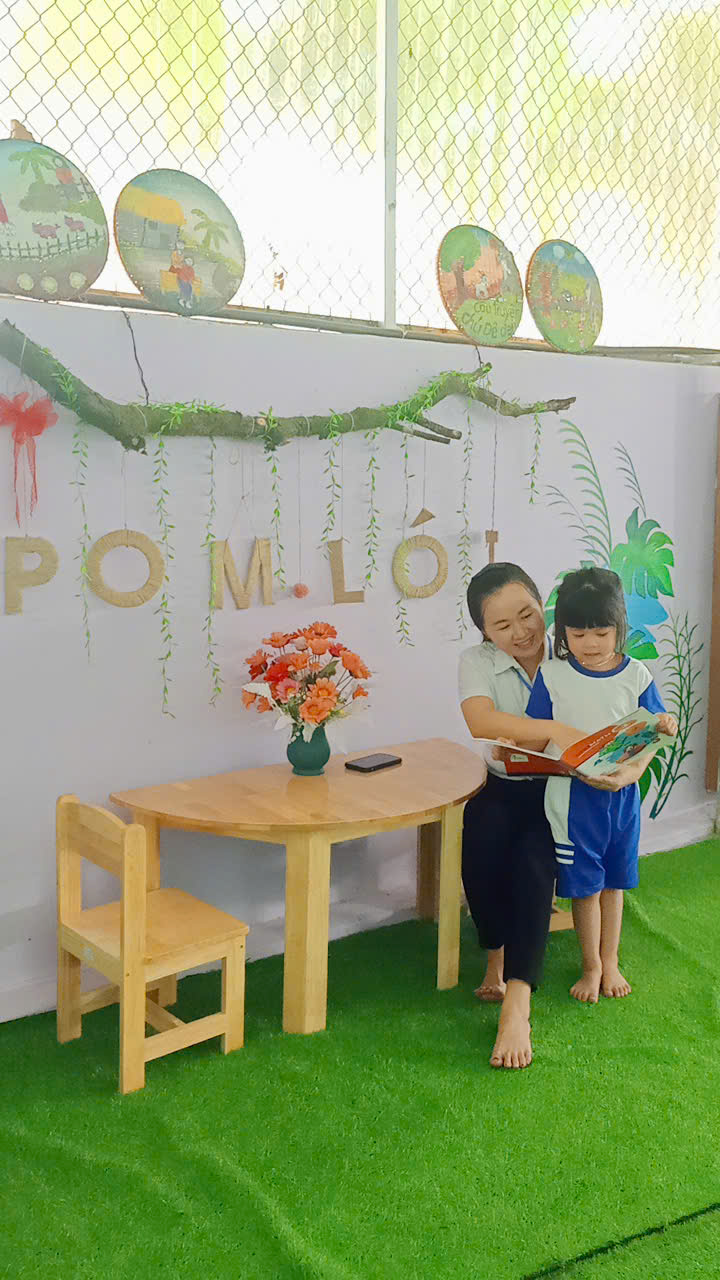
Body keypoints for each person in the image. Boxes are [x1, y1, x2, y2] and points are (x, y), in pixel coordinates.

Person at [459, 563, 651, 1070]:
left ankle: (518, 1002)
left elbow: (640, 724)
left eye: (527, 614)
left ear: (543, 607)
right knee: (482, 837)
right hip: (504, 787)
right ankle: (495, 953)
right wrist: (554, 731)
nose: (521, 631)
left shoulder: (576, 648)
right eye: (502, 625)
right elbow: (480, 720)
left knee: (534, 860)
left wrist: (626, 769)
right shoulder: (478, 662)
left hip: (562, 792)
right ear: (484, 632)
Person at [525, 568, 677, 1004]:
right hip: (573, 801)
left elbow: (656, 730)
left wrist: (664, 727)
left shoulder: (637, 675)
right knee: (585, 886)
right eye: (577, 634)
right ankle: (591, 965)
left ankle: (610, 960)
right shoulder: (552, 675)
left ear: (619, 627)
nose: (590, 643)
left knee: (615, 883)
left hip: (622, 799)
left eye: (601, 633)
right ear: (562, 632)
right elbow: (535, 733)